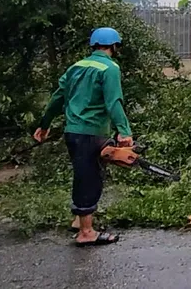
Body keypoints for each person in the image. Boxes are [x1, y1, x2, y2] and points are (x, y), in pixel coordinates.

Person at [33, 27, 133, 247]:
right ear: (114, 46)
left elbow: (57, 97)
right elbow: (113, 101)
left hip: (73, 132)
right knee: (90, 178)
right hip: (93, 131)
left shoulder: (76, 66)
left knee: (83, 173)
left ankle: (79, 221)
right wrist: (124, 131)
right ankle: (86, 232)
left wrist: (44, 124)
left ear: (93, 45)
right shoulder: (110, 68)